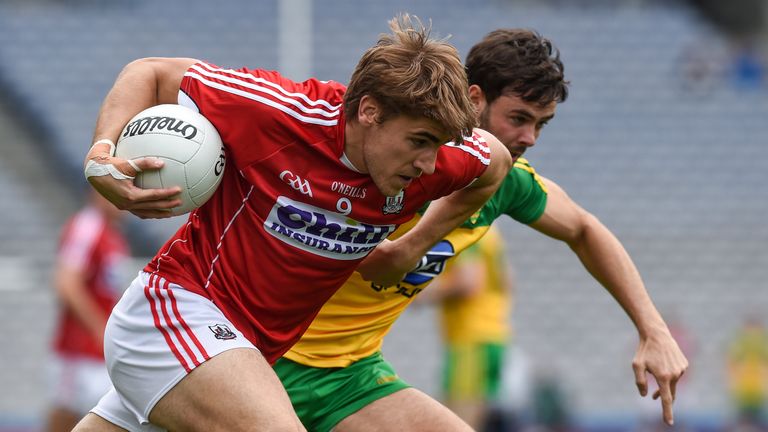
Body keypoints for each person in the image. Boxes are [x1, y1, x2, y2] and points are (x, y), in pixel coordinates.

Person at [74, 14, 510, 432]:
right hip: (176, 313)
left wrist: (409, 249)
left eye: (438, 145)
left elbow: (496, 164)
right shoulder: (278, 112)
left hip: (246, 350)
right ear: (369, 111)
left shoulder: (435, 163)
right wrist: (101, 156)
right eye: (419, 141)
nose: (428, 163)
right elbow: (150, 73)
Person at [273, 28, 689, 432]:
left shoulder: (507, 182)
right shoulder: (394, 157)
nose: (530, 137)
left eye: (541, 124)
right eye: (518, 118)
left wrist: (653, 330)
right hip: (271, 357)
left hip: (350, 376)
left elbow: (583, 229)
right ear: (474, 100)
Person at [45, 191, 129, 432]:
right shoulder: (87, 226)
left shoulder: (110, 232)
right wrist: (99, 327)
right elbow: (66, 283)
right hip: (79, 351)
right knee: (66, 416)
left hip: (98, 352)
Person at [423, 224, 514, 431]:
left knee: (456, 419)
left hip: (471, 337)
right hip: (493, 334)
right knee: (469, 421)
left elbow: (469, 282)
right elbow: (508, 281)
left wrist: (422, 292)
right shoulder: (491, 232)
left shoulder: (467, 229)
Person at [726, 316, 768, 430]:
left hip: (758, 391)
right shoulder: (740, 345)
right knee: (741, 421)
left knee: (759, 422)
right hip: (743, 391)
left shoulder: (763, 345)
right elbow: (731, 364)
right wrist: (733, 382)